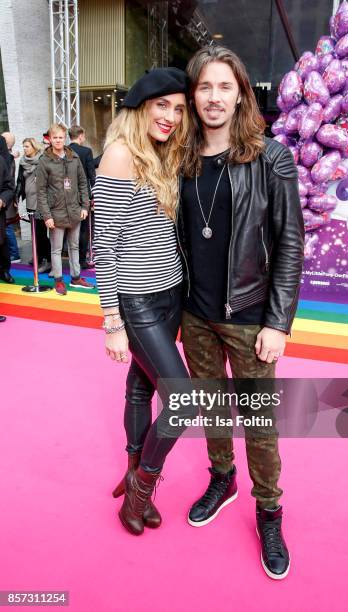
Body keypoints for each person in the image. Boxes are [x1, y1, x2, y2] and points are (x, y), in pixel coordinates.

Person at [179, 46, 304, 579]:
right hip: (193, 314)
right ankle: (222, 477)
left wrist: (278, 322)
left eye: (224, 87)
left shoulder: (270, 157)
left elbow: (290, 243)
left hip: (249, 315)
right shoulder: (177, 157)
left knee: (259, 424)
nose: (214, 97)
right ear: (193, 95)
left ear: (240, 93)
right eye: (205, 87)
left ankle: (270, 511)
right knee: (209, 408)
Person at [93, 68, 193, 536]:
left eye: (178, 108)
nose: (171, 116)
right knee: (185, 398)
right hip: (137, 304)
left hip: (170, 293)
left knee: (141, 388)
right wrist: (112, 321)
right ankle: (141, 489)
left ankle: (132, 472)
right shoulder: (119, 154)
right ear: (141, 105)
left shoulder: (161, 154)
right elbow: (105, 247)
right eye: (162, 105)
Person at [36, 124, 94, 295]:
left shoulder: (74, 156)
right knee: (56, 249)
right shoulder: (44, 161)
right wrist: (47, 215)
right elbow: (41, 191)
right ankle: (59, 280)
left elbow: (83, 183)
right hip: (55, 212)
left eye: (61, 137)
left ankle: (76, 278)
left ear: (65, 138)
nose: (58, 140)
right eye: (55, 138)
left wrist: (85, 205)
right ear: (50, 139)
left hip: (75, 211)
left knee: (74, 247)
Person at [15, 138, 51, 273]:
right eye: (23, 146)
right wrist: (16, 197)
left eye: (27, 146)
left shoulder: (42, 160)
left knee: (41, 234)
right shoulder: (23, 162)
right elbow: (19, 181)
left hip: (41, 202)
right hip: (30, 202)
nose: (25, 149)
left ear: (34, 147)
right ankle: (39, 256)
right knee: (35, 233)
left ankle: (48, 260)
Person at [68, 125, 96, 269]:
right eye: (83, 136)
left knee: (70, 227)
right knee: (84, 228)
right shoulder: (86, 151)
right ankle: (81, 260)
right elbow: (91, 174)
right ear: (80, 136)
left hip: (67, 194)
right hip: (83, 194)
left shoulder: (65, 151)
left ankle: (72, 259)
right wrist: (94, 195)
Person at [1, 132, 21, 263]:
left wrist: (10, 198)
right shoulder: (8, 157)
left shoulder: (6, 158)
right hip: (9, 198)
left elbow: (10, 183)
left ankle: (14, 253)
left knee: (6, 227)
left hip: (5, 200)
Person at [0, 135, 15, 284]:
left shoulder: (1, 162)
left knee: (2, 242)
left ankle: (4, 271)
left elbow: (9, 188)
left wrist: (2, 199)